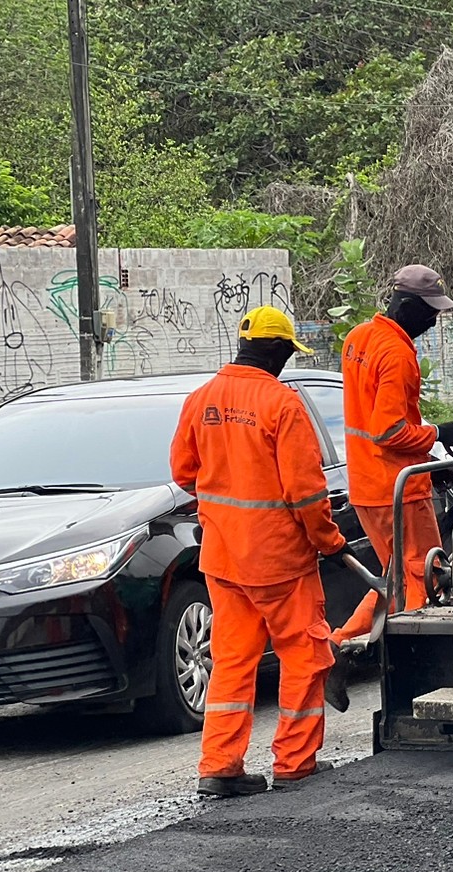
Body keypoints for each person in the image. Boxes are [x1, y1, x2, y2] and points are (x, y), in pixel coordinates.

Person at [170, 306, 349, 798]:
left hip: (224, 558)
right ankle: (295, 762)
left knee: (230, 661)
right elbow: (307, 494)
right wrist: (329, 541)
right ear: (278, 351)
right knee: (306, 654)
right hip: (279, 561)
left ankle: (220, 767)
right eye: (289, 353)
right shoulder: (281, 404)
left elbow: (185, 473)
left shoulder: (201, 399)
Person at [329, 264, 453, 711]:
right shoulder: (397, 354)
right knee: (424, 575)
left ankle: (339, 643)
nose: (433, 320)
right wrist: (438, 434)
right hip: (399, 489)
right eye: (430, 312)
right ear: (406, 305)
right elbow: (389, 430)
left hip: (368, 485)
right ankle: (418, 679)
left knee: (396, 577)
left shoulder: (358, 339)